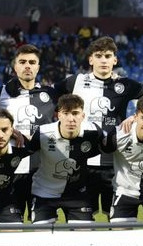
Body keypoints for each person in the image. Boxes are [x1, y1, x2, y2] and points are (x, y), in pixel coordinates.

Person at [52, 36, 143, 218]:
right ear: (91, 59)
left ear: (115, 60)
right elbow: (48, 95)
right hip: (82, 163)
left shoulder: (126, 85)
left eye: (107, 56)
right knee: (81, 220)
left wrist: (136, 117)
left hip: (113, 162)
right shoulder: (76, 82)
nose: (103, 60)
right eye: (98, 55)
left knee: (119, 220)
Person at [0, 44, 57, 218]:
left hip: (42, 173)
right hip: (11, 172)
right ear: (15, 66)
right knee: (12, 227)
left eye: (32, 62)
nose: (27, 66)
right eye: (22, 62)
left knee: (43, 228)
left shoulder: (53, 94)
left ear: (38, 67)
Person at [26, 94, 115, 224]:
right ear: (58, 115)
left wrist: (130, 122)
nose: (71, 119)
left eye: (75, 113)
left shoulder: (93, 131)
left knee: (82, 238)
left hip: (78, 195)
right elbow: (24, 150)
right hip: (44, 193)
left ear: (83, 116)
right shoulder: (43, 133)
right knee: (41, 235)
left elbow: (112, 143)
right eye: (66, 113)